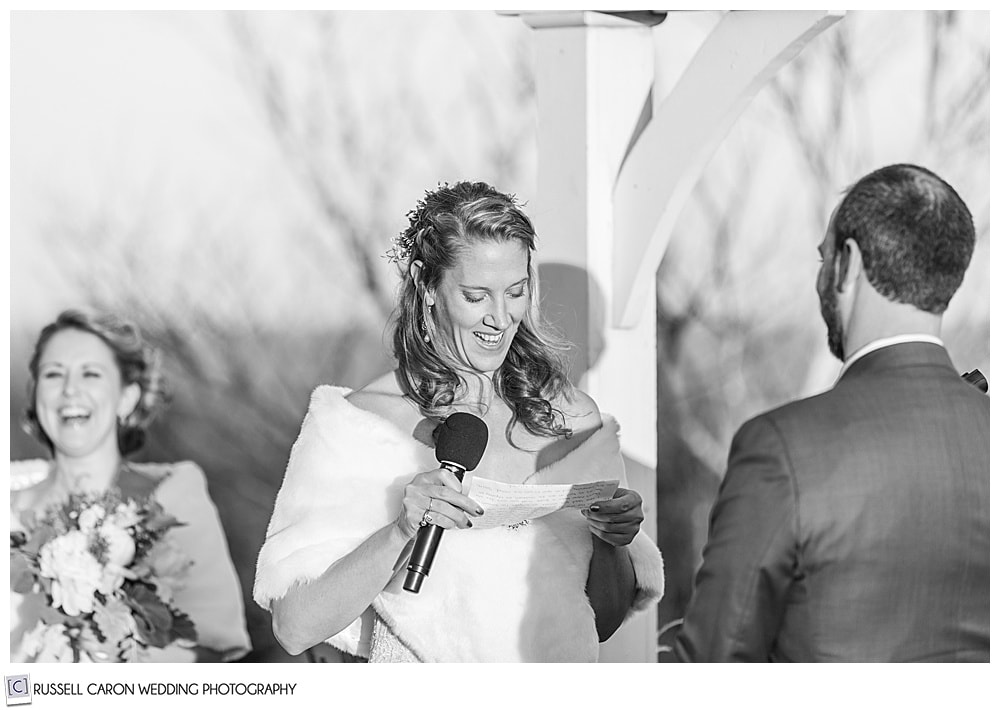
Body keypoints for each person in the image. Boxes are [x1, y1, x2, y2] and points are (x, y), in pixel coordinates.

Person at [254, 181, 664, 662]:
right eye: (476, 296)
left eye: (515, 292)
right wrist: (401, 530)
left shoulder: (572, 422)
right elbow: (294, 626)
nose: (500, 317)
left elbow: (602, 621)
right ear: (427, 285)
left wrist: (613, 541)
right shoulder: (359, 424)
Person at [674, 164, 989, 662]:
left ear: (849, 262)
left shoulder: (779, 447)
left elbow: (715, 665)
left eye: (823, 257)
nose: (820, 275)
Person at [10, 309, 252, 662]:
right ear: (35, 396)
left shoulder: (172, 497)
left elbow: (212, 650)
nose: (69, 390)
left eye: (90, 373)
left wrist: (125, 655)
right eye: (53, 374)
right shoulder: (9, 507)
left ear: (127, 397)